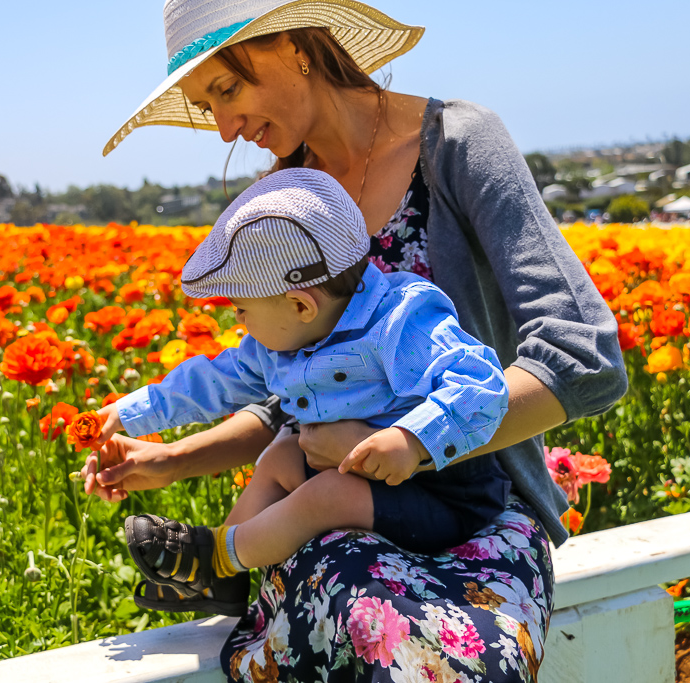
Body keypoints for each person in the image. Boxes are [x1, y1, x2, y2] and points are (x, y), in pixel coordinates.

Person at [83, 1, 628, 680]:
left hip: (478, 515)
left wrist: (408, 444)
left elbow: (585, 359)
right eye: (205, 106)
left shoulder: (458, 144)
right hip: (329, 523)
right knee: (355, 604)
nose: (224, 128)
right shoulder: (287, 200)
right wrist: (169, 457)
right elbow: (298, 392)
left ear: (295, 45)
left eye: (227, 90)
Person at [92, 167, 511, 617]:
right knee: (279, 457)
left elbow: (481, 382)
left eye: (242, 309)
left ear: (299, 305)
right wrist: (131, 411)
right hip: (362, 483)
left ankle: (215, 554)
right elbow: (216, 380)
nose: (239, 323)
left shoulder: (398, 321)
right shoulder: (281, 344)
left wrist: (412, 439)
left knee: (323, 494)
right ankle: (222, 579)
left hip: (442, 494)